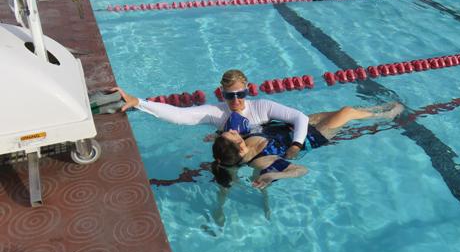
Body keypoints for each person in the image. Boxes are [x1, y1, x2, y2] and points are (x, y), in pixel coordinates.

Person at [114, 69, 309, 159]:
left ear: (247, 90)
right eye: (229, 96)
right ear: (221, 93)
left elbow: (301, 117)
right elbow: (179, 115)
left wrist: (295, 147)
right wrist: (139, 102)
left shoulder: (262, 106)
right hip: (237, 157)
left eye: (240, 94)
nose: (235, 101)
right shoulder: (216, 112)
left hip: (267, 148)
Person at [211, 102, 405, 190]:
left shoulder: (241, 142)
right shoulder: (262, 162)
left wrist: (218, 136)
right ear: (240, 149)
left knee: (344, 111)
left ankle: (374, 109)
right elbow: (301, 170)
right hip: (313, 136)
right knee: (346, 112)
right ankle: (384, 115)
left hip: (298, 127)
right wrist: (275, 175)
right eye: (233, 134)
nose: (235, 130)